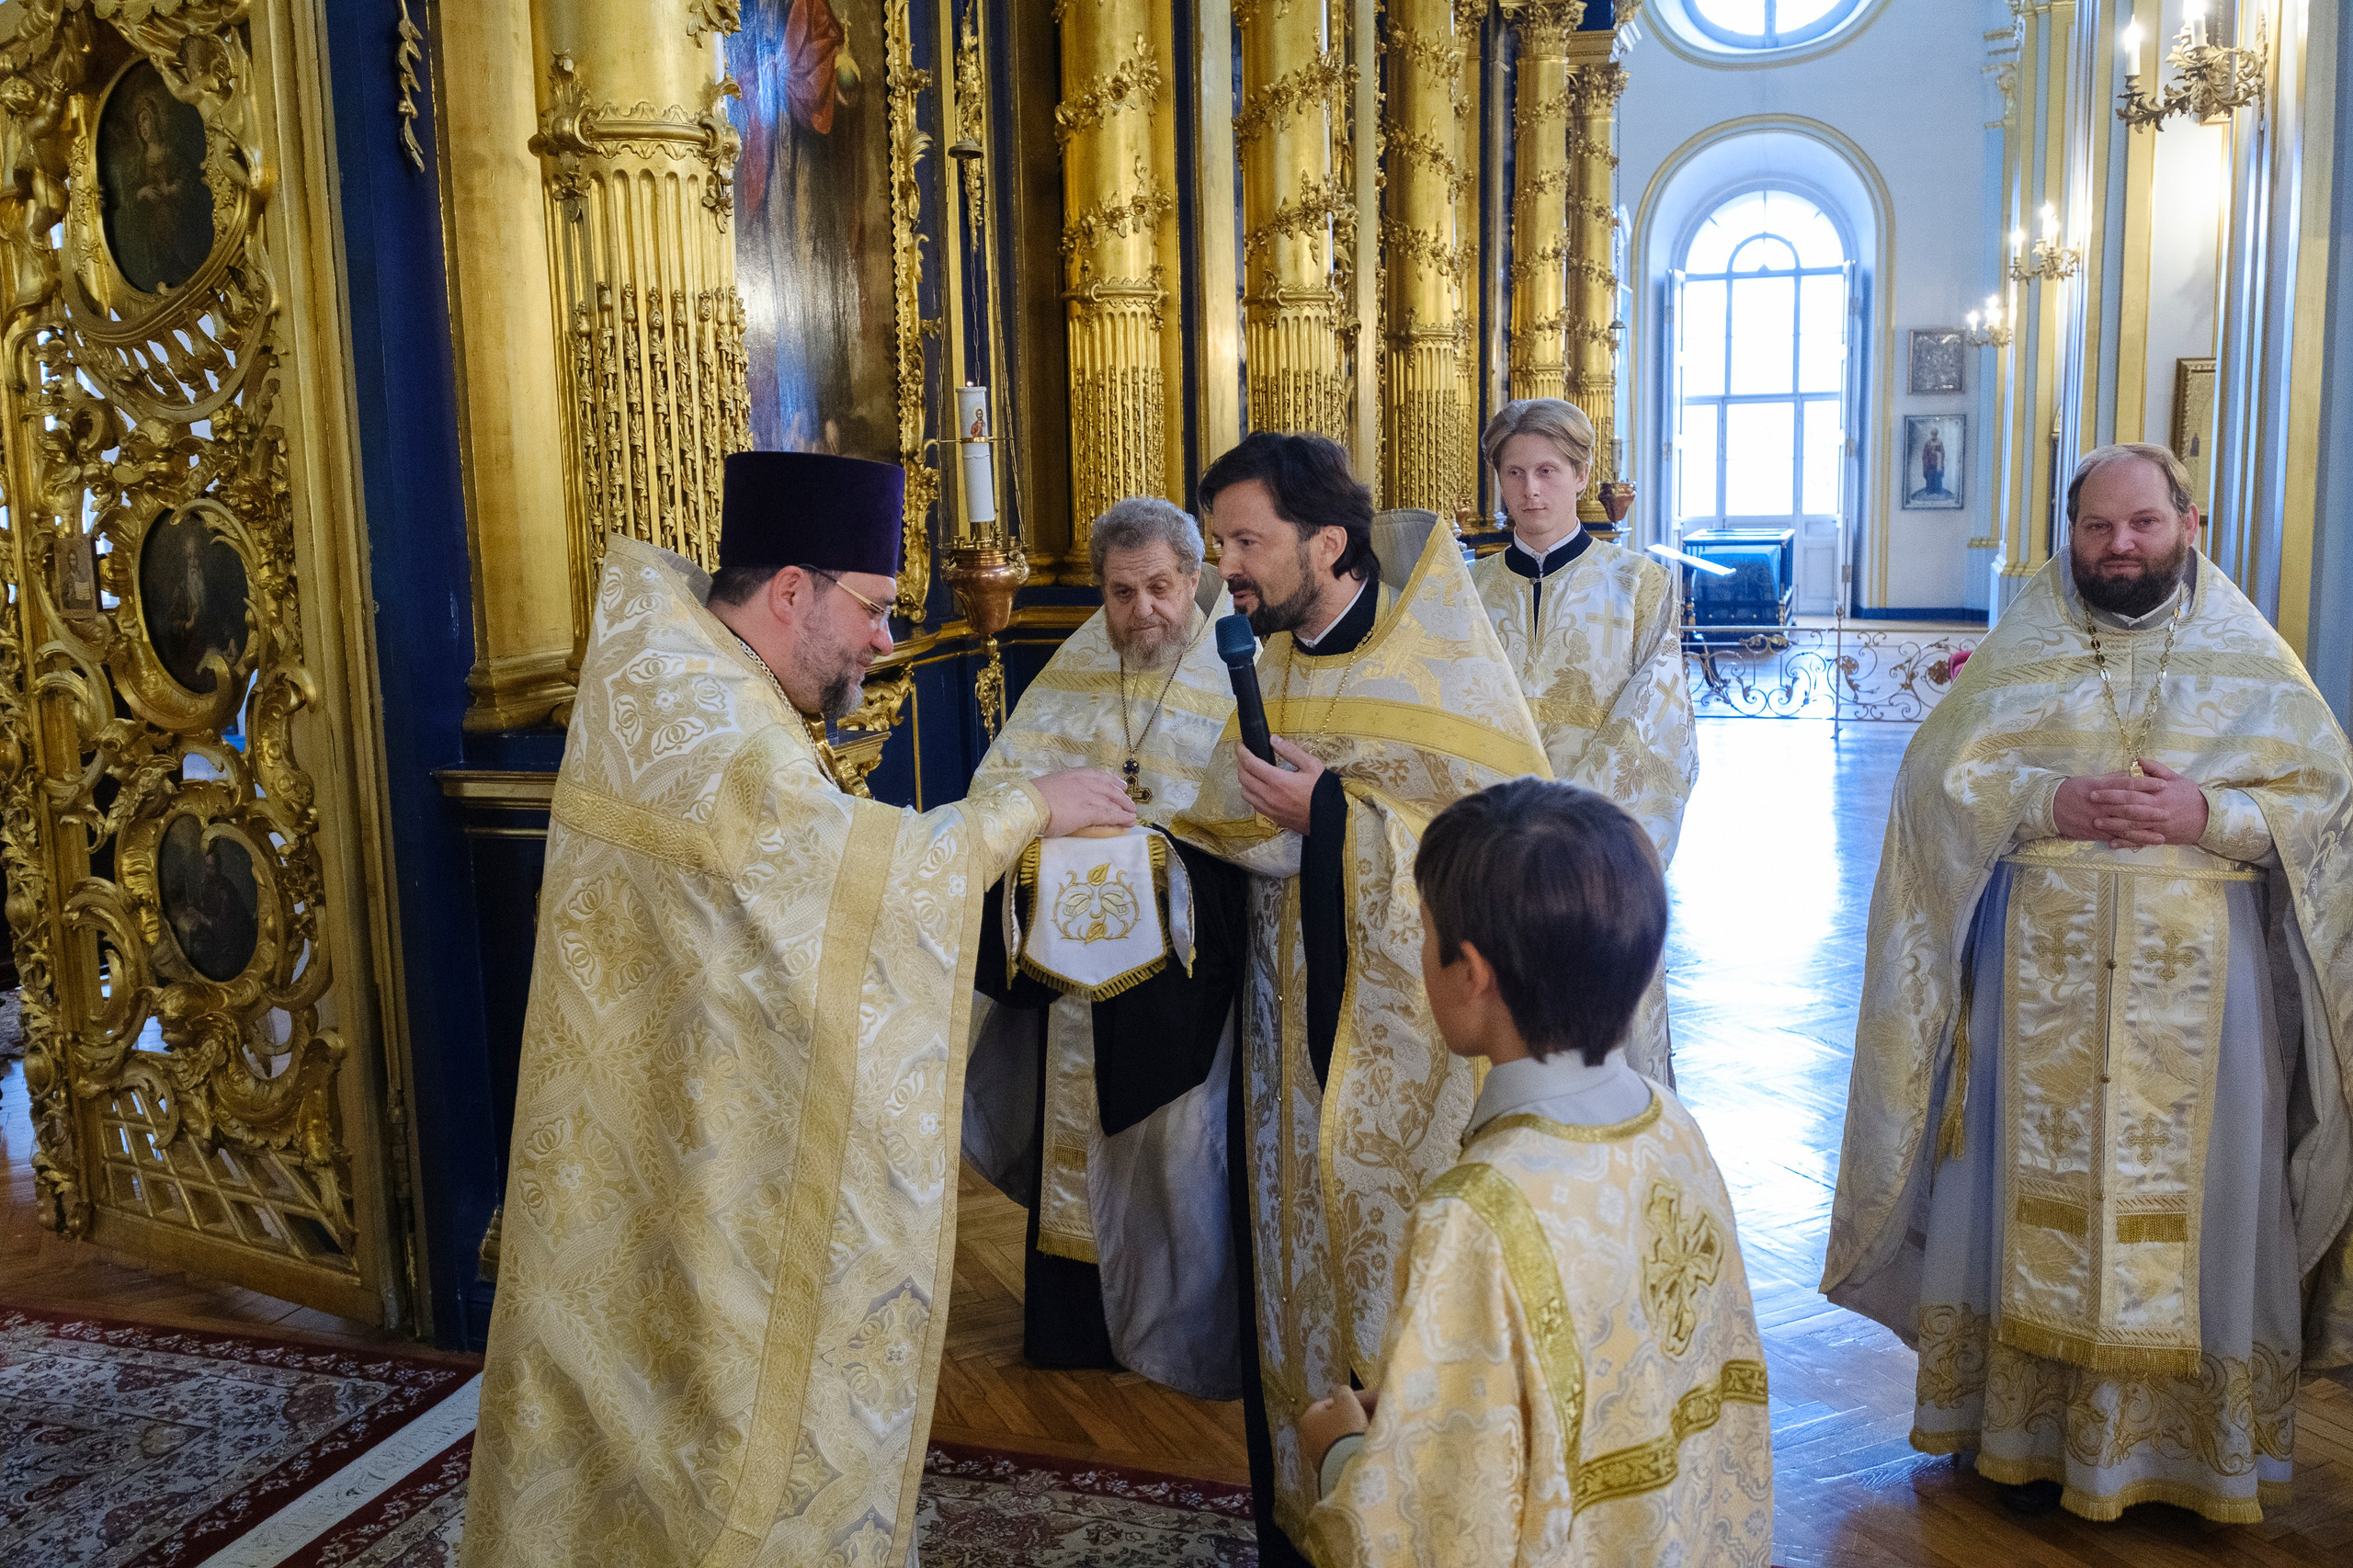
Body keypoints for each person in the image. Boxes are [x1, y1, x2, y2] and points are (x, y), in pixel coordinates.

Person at [460, 451, 1133, 1567]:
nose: (882, 640)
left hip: (668, 1125)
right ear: (788, 589)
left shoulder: (683, 671)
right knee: (703, 1407)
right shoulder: (715, 723)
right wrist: (1025, 807)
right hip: (681, 1140)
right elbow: (855, 880)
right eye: (870, 609)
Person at [1823, 442, 2353, 1524]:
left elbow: (2323, 805)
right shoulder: (2024, 645)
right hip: (2035, 992)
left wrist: (2211, 816)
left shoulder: (2253, 659)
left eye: (2142, 526)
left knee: (2206, 1201)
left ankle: (2195, 1455)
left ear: (2187, 524)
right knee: (2019, 1196)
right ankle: (2017, 1431)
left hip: (2206, 1008)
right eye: (2096, 528)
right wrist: (2043, 802)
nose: (2119, 548)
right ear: (2070, 532)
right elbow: (1937, 784)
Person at [1173, 430, 1552, 1565]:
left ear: (1324, 541)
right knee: (1297, 1276)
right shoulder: (1258, 649)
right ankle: (1311, 1516)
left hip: (1419, 1064)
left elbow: (1502, 852)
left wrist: (1333, 818)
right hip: (1284, 1048)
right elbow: (1216, 818)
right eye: (1216, 543)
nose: (1222, 567)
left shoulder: (1436, 660)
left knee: (1405, 1292)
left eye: (1245, 540)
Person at [1298, 778, 1772, 1565]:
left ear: (1472, 971)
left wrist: (1342, 1452)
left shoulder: (1476, 1212)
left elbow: (1435, 1531)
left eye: (1423, 931)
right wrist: (1430, 1400)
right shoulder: (1672, 1127)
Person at [960, 495, 1248, 1397]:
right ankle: (1073, 1325)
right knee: (1071, 1133)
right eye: (1121, 592)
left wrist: (1161, 856)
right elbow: (997, 793)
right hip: (1076, 971)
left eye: (1160, 587)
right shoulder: (1076, 667)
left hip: (1180, 976)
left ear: (1193, 578)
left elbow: (1255, 827)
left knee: (1172, 1152)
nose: (1142, 610)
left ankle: (1175, 1328)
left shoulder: (1241, 672)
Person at [1470, 399, 1697, 1082]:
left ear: (1581, 475)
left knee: (1598, 1051)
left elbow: (1659, 722)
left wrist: (1572, 831)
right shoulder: (1466, 593)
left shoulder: (1638, 585)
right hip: (1492, 856)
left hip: (1598, 858)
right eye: (1514, 474)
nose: (1530, 490)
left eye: (1546, 470)